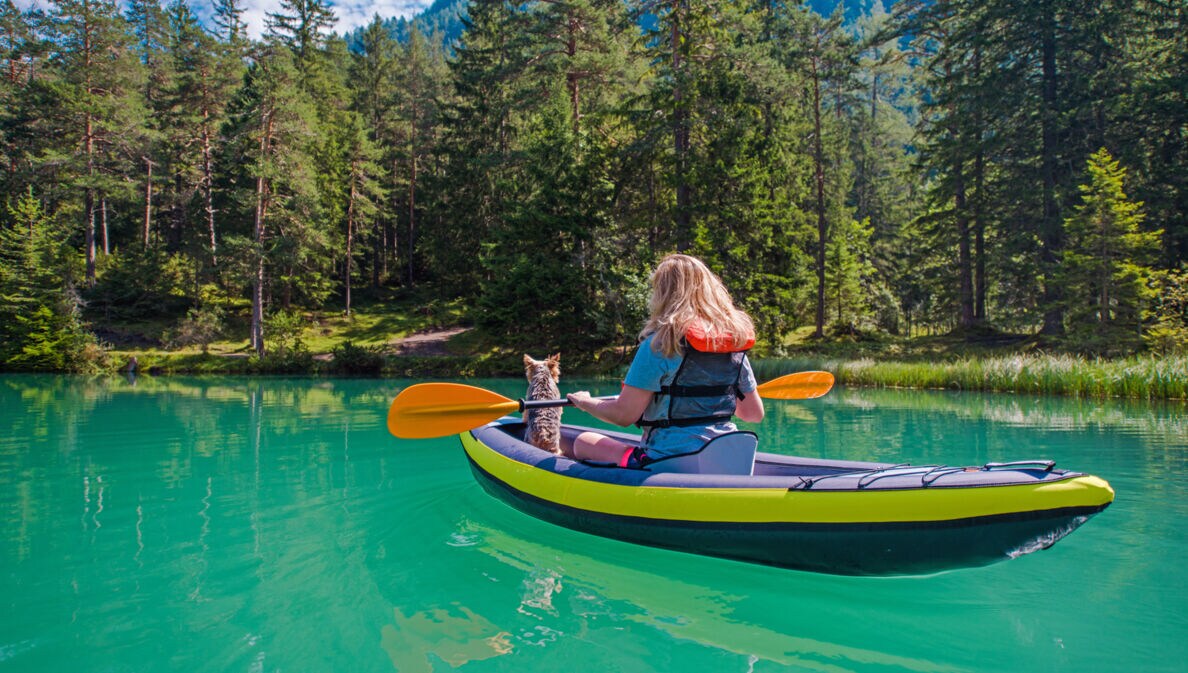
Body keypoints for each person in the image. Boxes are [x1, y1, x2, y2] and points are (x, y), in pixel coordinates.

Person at [565, 254, 764, 467]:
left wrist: (584, 402)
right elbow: (753, 414)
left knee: (584, 442)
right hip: (726, 456)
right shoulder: (730, 344)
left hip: (671, 460)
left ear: (663, 294)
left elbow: (623, 415)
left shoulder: (660, 344)